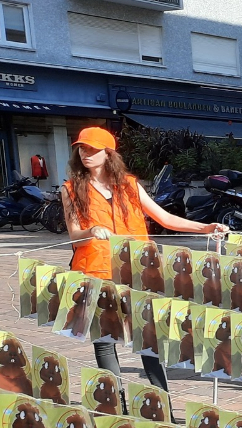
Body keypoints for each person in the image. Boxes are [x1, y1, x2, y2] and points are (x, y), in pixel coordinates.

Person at [62, 126, 227, 401]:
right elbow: (74, 237)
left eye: (91, 149)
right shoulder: (70, 189)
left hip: (137, 270)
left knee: (148, 341)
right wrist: (90, 232)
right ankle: (116, 403)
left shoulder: (129, 185)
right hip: (94, 271)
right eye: (81, 148)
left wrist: (204, 227)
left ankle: (160, 402)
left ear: (108, 153)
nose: (85, 153)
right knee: (104, 342)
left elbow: (165, 218)